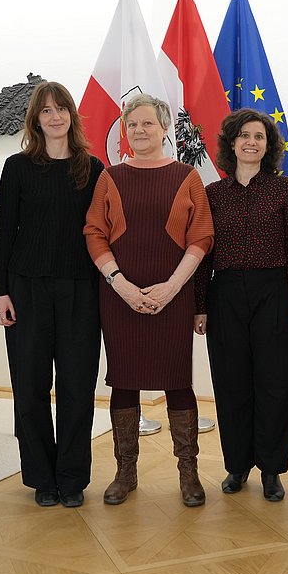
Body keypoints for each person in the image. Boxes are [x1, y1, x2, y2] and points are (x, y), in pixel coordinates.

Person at [83, 93, 214, 507]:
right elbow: (94, 233)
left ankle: (188, 474)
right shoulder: (110, 177)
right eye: (132, 124)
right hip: (119, 296)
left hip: (174, 296)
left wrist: (173, 288)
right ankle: (125, 473)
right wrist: (120, 284)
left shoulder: (186, 176)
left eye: (147, 124)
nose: (139, 130)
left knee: (178, 381)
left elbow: (201, 236)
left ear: (163, 129)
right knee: (124, 379)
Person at [0, 81, 104, 508]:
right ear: (35, 119)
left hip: (80, 290)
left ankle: (72, 477)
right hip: (26, 290)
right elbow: (4, 235)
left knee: (77, 386)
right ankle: (41, 477)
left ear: (72, 116)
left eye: (62, 109)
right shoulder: (17, 168)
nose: (55, 116)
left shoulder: (92, 168)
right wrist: (1, 292)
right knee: (30, 386)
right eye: (46, 111)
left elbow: (102, 233)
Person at [193, 109, 288, 502]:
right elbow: (204, 253)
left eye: (259, 137)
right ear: (231, 143)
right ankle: (237, 465)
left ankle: (272, 469)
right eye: (244, 135)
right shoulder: (213, 194)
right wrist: (199, 304)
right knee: (232, 383)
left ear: (268, 145)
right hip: (224, 294)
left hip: (274, 292)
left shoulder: (282, 190)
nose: (251, 142)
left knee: (276, 383)